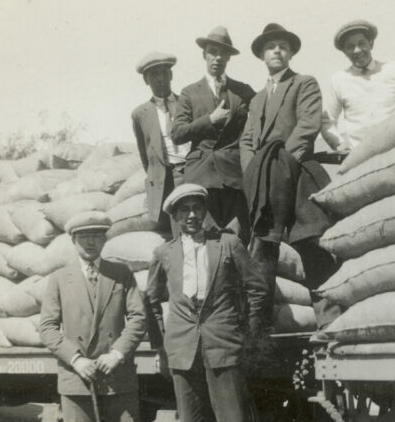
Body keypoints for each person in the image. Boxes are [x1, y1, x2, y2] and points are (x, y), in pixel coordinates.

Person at [145, 183, 269, 422]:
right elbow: (150, 300)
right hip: (182, 350)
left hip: (223, 346)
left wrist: (249, 334)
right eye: (184, 210)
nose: (191, 215)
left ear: (205, 211)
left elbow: (257, 288)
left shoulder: (228, 244)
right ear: (174, 215)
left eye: (197, 208)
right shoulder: (164, 254)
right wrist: (160, 345)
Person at [38, 211, 148, 422]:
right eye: (84, 236)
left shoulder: (122, 274)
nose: (91, 242)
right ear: (73, 241)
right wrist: (76, 359)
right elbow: (48, 328)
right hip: (77, 380)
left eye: (97, 235)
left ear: (105, 239)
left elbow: (138, 318)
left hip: (118, 378)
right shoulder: (60, 279)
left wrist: (117, 354)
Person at [239, 23, 335, 325]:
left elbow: (307, 127)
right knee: (262, 253)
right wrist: (253, 173)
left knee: (313, 248)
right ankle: (259, 335)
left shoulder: (304, 83)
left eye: (282, 46)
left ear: (291, 52)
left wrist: (282, 168)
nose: (276, 51)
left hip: (298, 179)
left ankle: (330, 326)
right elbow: (246, 140)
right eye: (270, 47)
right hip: (265, 186)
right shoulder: (256, 100)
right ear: (262, 56)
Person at [172, 27, 257, 239]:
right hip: (201, 175)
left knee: (238, 239)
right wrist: (210, 120)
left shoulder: (243, 91)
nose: (217, 58)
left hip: (234, 177)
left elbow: (260, 120)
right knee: (205, 238)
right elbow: (177, 133)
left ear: (229, 57)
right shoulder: (189, 92)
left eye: (222, 53)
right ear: (204, 54)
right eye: (212, 52)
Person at [320, 19, 395, 152]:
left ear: (371, 44)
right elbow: (327, 122)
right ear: (344, 52)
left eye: (362, 43)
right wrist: (340, 144)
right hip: (361, 156)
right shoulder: (339, 80)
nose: (357, 50)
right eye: (350, 46)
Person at [131, 51, 188, 235]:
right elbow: (144, 153)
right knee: (167, 233)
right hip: (163, 179)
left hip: (188, 172)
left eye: (164, 73)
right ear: (146, 80)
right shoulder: (140, 114)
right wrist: (156, 175)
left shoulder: (187, 103)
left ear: (171, 75)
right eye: (153, 74)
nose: (160, 79)